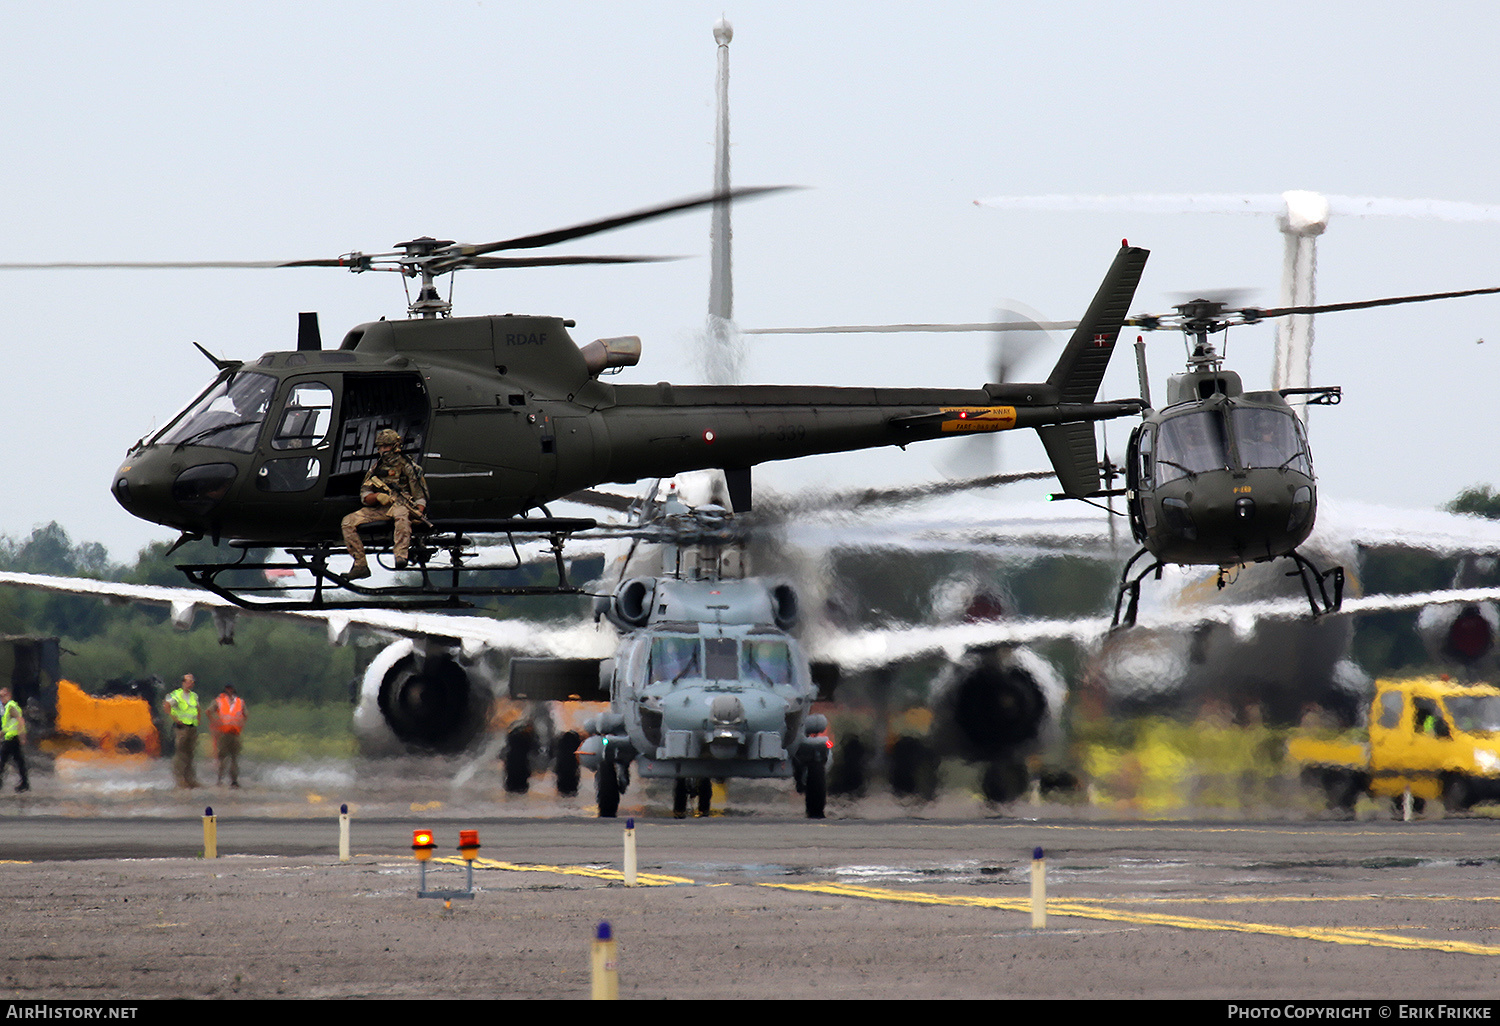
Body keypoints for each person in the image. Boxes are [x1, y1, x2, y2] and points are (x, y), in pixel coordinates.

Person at [340, 428, 428, 579]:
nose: (382, 450)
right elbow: (365, 493)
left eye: (385, 446)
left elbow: (420, 496)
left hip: (401, 506)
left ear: (395, 446)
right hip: (380, 509)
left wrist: (418, 513)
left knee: (401, 514)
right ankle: (360, 565)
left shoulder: (409, 467)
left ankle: (401, 555)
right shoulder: (376, 468)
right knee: (348, 522)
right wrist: (377, 497)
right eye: (380, 447)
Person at [207, 683, 247, 787]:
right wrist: (215, 722)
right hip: (223, 733)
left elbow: (245, 714)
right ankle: (219, 779)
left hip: (235, 734)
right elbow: (208, 711)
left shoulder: (240, 702)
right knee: (222, 758)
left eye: (231, 689)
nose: (229, 691)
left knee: (234, 758)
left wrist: (241, 725)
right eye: (227, 689)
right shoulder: (219, 701)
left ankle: (234, 781)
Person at [164, 673, 200, 788]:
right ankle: (180, 780)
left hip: (192, 728)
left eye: (192, 681)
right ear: (183, 682)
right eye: (189, 681)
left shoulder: (194, 696)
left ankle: (190, 779)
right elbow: (166, 706)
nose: (191, 683)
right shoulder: (177, 694)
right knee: (181, 754)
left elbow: (198, 709)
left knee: (190, 754)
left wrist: (197, 721)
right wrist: (175, 718)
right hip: (181, 728)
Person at [0, 686, 29, 793]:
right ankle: (25, 783)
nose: (2, 698)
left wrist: (22, 737)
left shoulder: (11, 706)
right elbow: (7, 727)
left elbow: (20, 721)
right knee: (19, 761)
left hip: (13, 739)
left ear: (9, 695)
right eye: (0, 696)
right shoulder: (8, 707)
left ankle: (24, 783)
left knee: (3, 761)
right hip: (11, 738)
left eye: (4, 695)